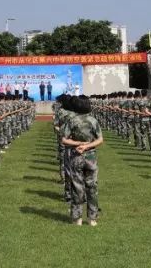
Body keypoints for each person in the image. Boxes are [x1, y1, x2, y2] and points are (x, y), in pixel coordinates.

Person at [61, 95, 103, 226]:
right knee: (92, 187)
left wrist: (78, 144)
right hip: (90, 157)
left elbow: (64, 139)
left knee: (77, 187)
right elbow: (100, 139)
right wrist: (87, 145)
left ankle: (77, 218)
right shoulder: (93, 120)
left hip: (76, 156)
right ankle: (92, 218)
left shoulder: (72, 120)